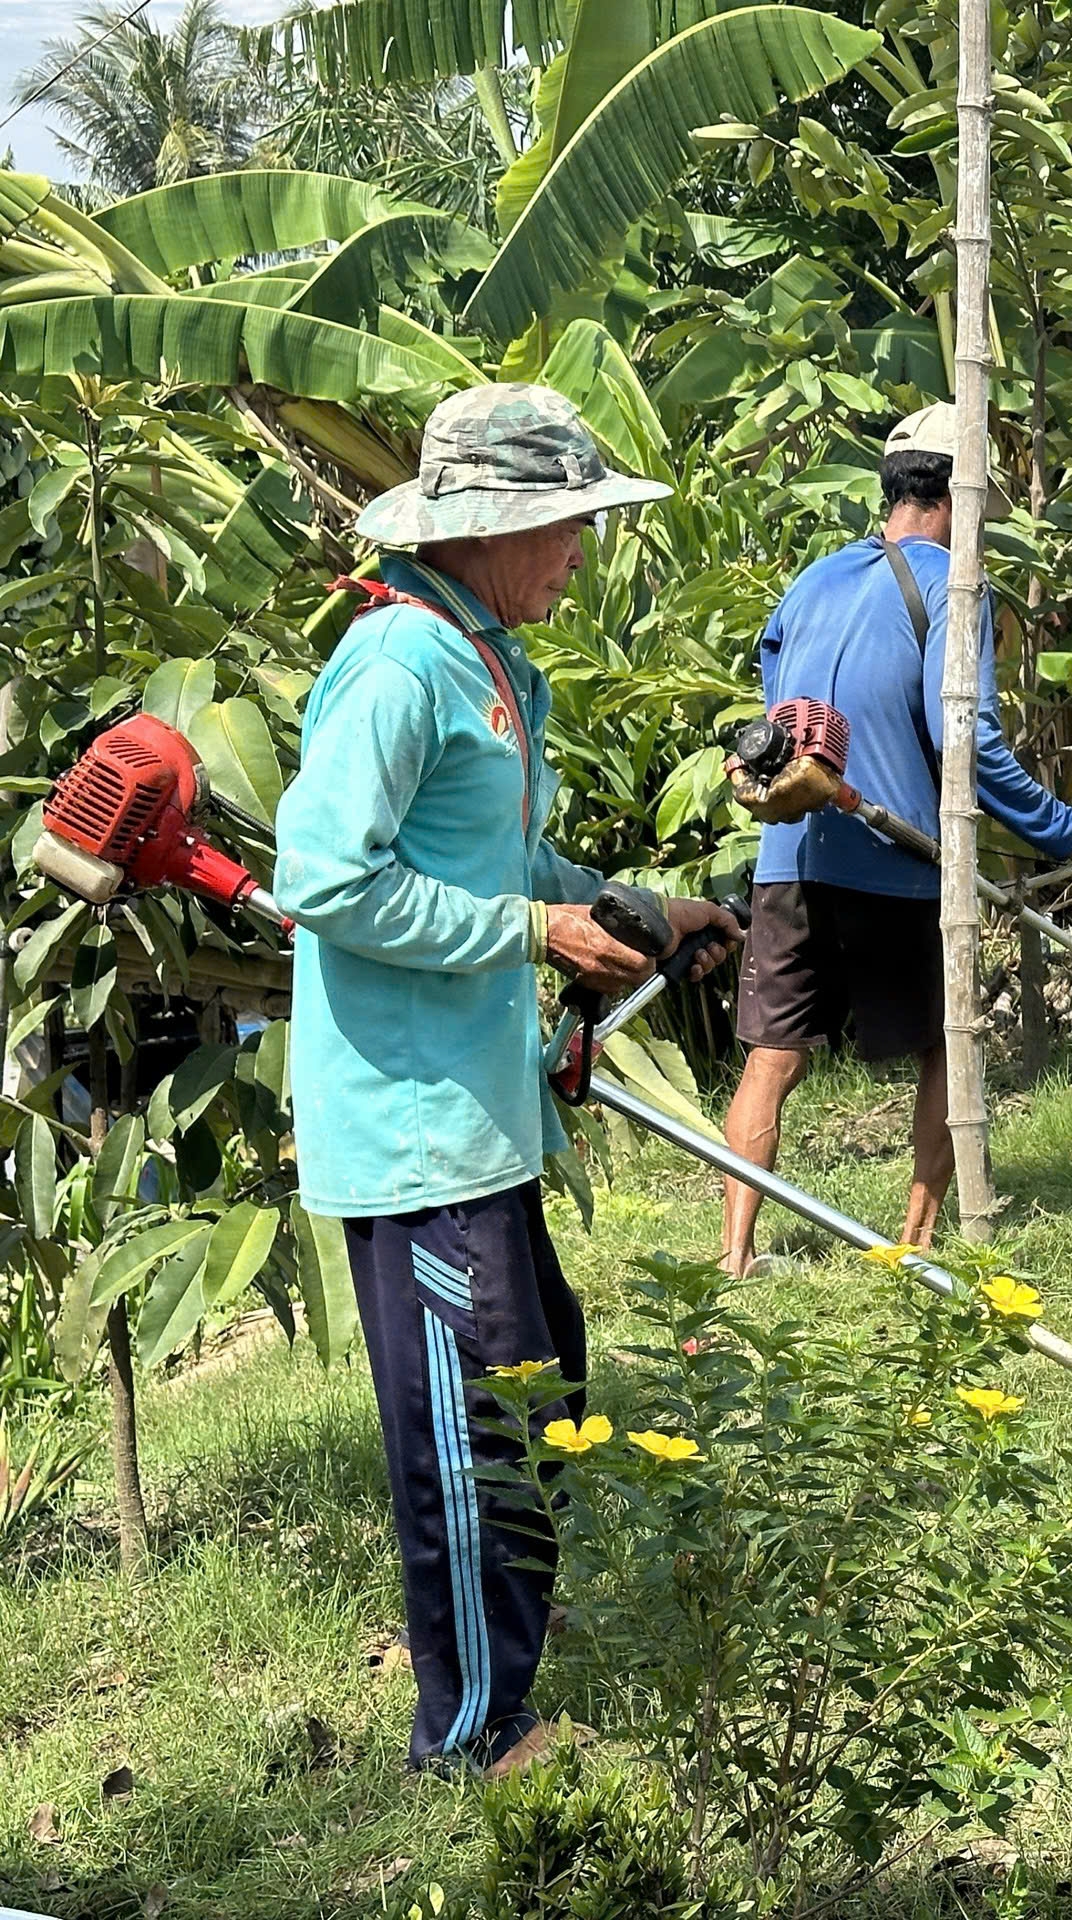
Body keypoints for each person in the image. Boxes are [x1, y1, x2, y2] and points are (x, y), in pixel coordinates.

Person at [275, 385, 741, 1775]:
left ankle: (508, 1691)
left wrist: (630, 901)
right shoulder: (398, 665)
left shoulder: (488, 663)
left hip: (483, 1122)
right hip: (414, 1136)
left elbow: (492, 865)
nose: (582, 554)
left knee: (539, 1403)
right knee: (476, 1442)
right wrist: (531, 933)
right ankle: (471, 1735)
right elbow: (326, 877)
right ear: (496, 525)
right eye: (569, 525)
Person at [719, 405, 1072, 1266]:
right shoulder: (954, 586)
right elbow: (966, 740)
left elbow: (774, 708)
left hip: (788, 854)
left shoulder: (811, 581)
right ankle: (919, 1240)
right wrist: (1059, 831)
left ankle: (733, 1259)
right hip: (896, 864)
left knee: (771, 1059)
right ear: (959, 499)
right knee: (946, 1044)